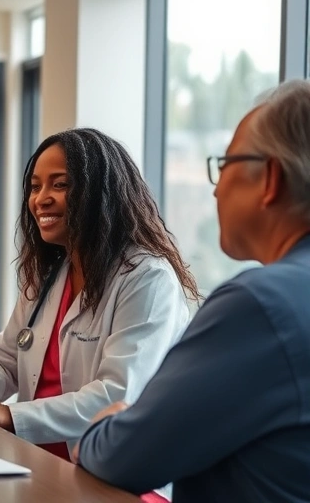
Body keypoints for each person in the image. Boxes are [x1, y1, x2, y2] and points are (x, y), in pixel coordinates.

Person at [76, 82, 310, 503]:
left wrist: (102, 428)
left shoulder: (259, 307)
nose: (216, 188)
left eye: (225, 164)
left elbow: (126, 456)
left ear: (271, 177)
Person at [0, 127, 197, 464]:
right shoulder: (50, 275)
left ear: (101, 193)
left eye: (60, 184)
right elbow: (6, 356)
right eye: (35, 186)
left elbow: (117, 393)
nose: (41, 198)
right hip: (38, 462)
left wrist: (11, 415)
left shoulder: (147, 278)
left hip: (112, 471)